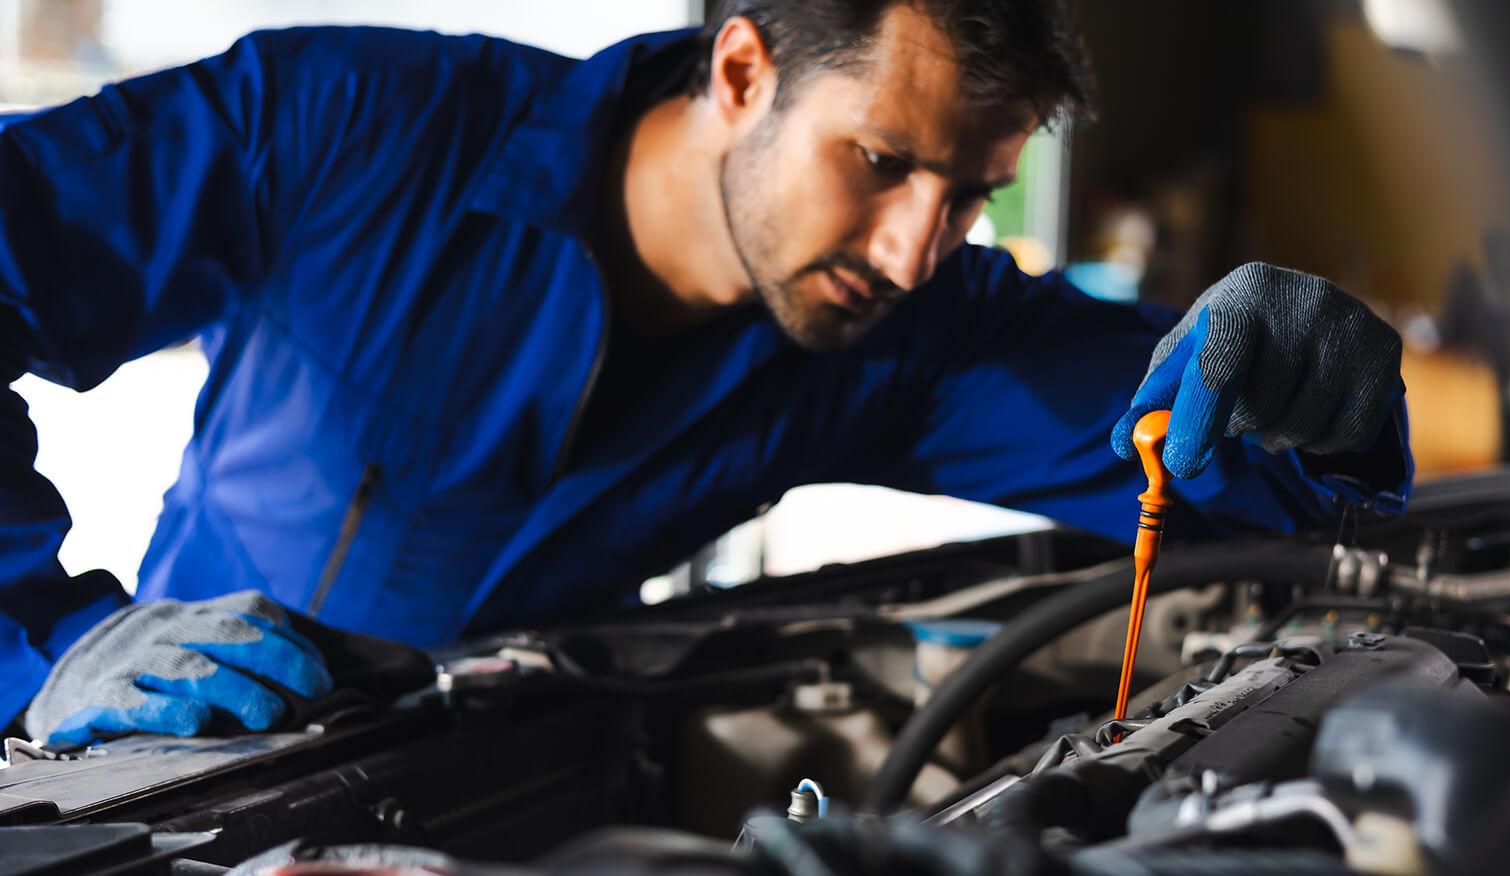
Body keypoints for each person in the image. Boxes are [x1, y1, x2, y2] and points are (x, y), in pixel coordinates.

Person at [1, 0, 1410, 745]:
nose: (917, 249)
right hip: (192, 782)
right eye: (883, 162)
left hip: (516, 797)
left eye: (970, 195)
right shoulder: (342, 131)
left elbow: (1212, 461)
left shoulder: (909, 330)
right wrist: (40, 644)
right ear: (742, 72)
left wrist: (1317, 397)